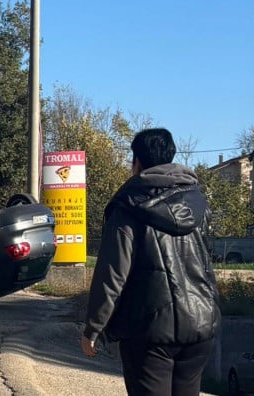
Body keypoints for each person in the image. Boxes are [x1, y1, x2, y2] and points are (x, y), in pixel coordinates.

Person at [81, 128, 221, 396]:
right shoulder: (198, 204)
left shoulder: (128, 207)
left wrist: (93, 328)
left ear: (137, 162)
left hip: (149, 330)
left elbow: (113, 275)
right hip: (201, 322)